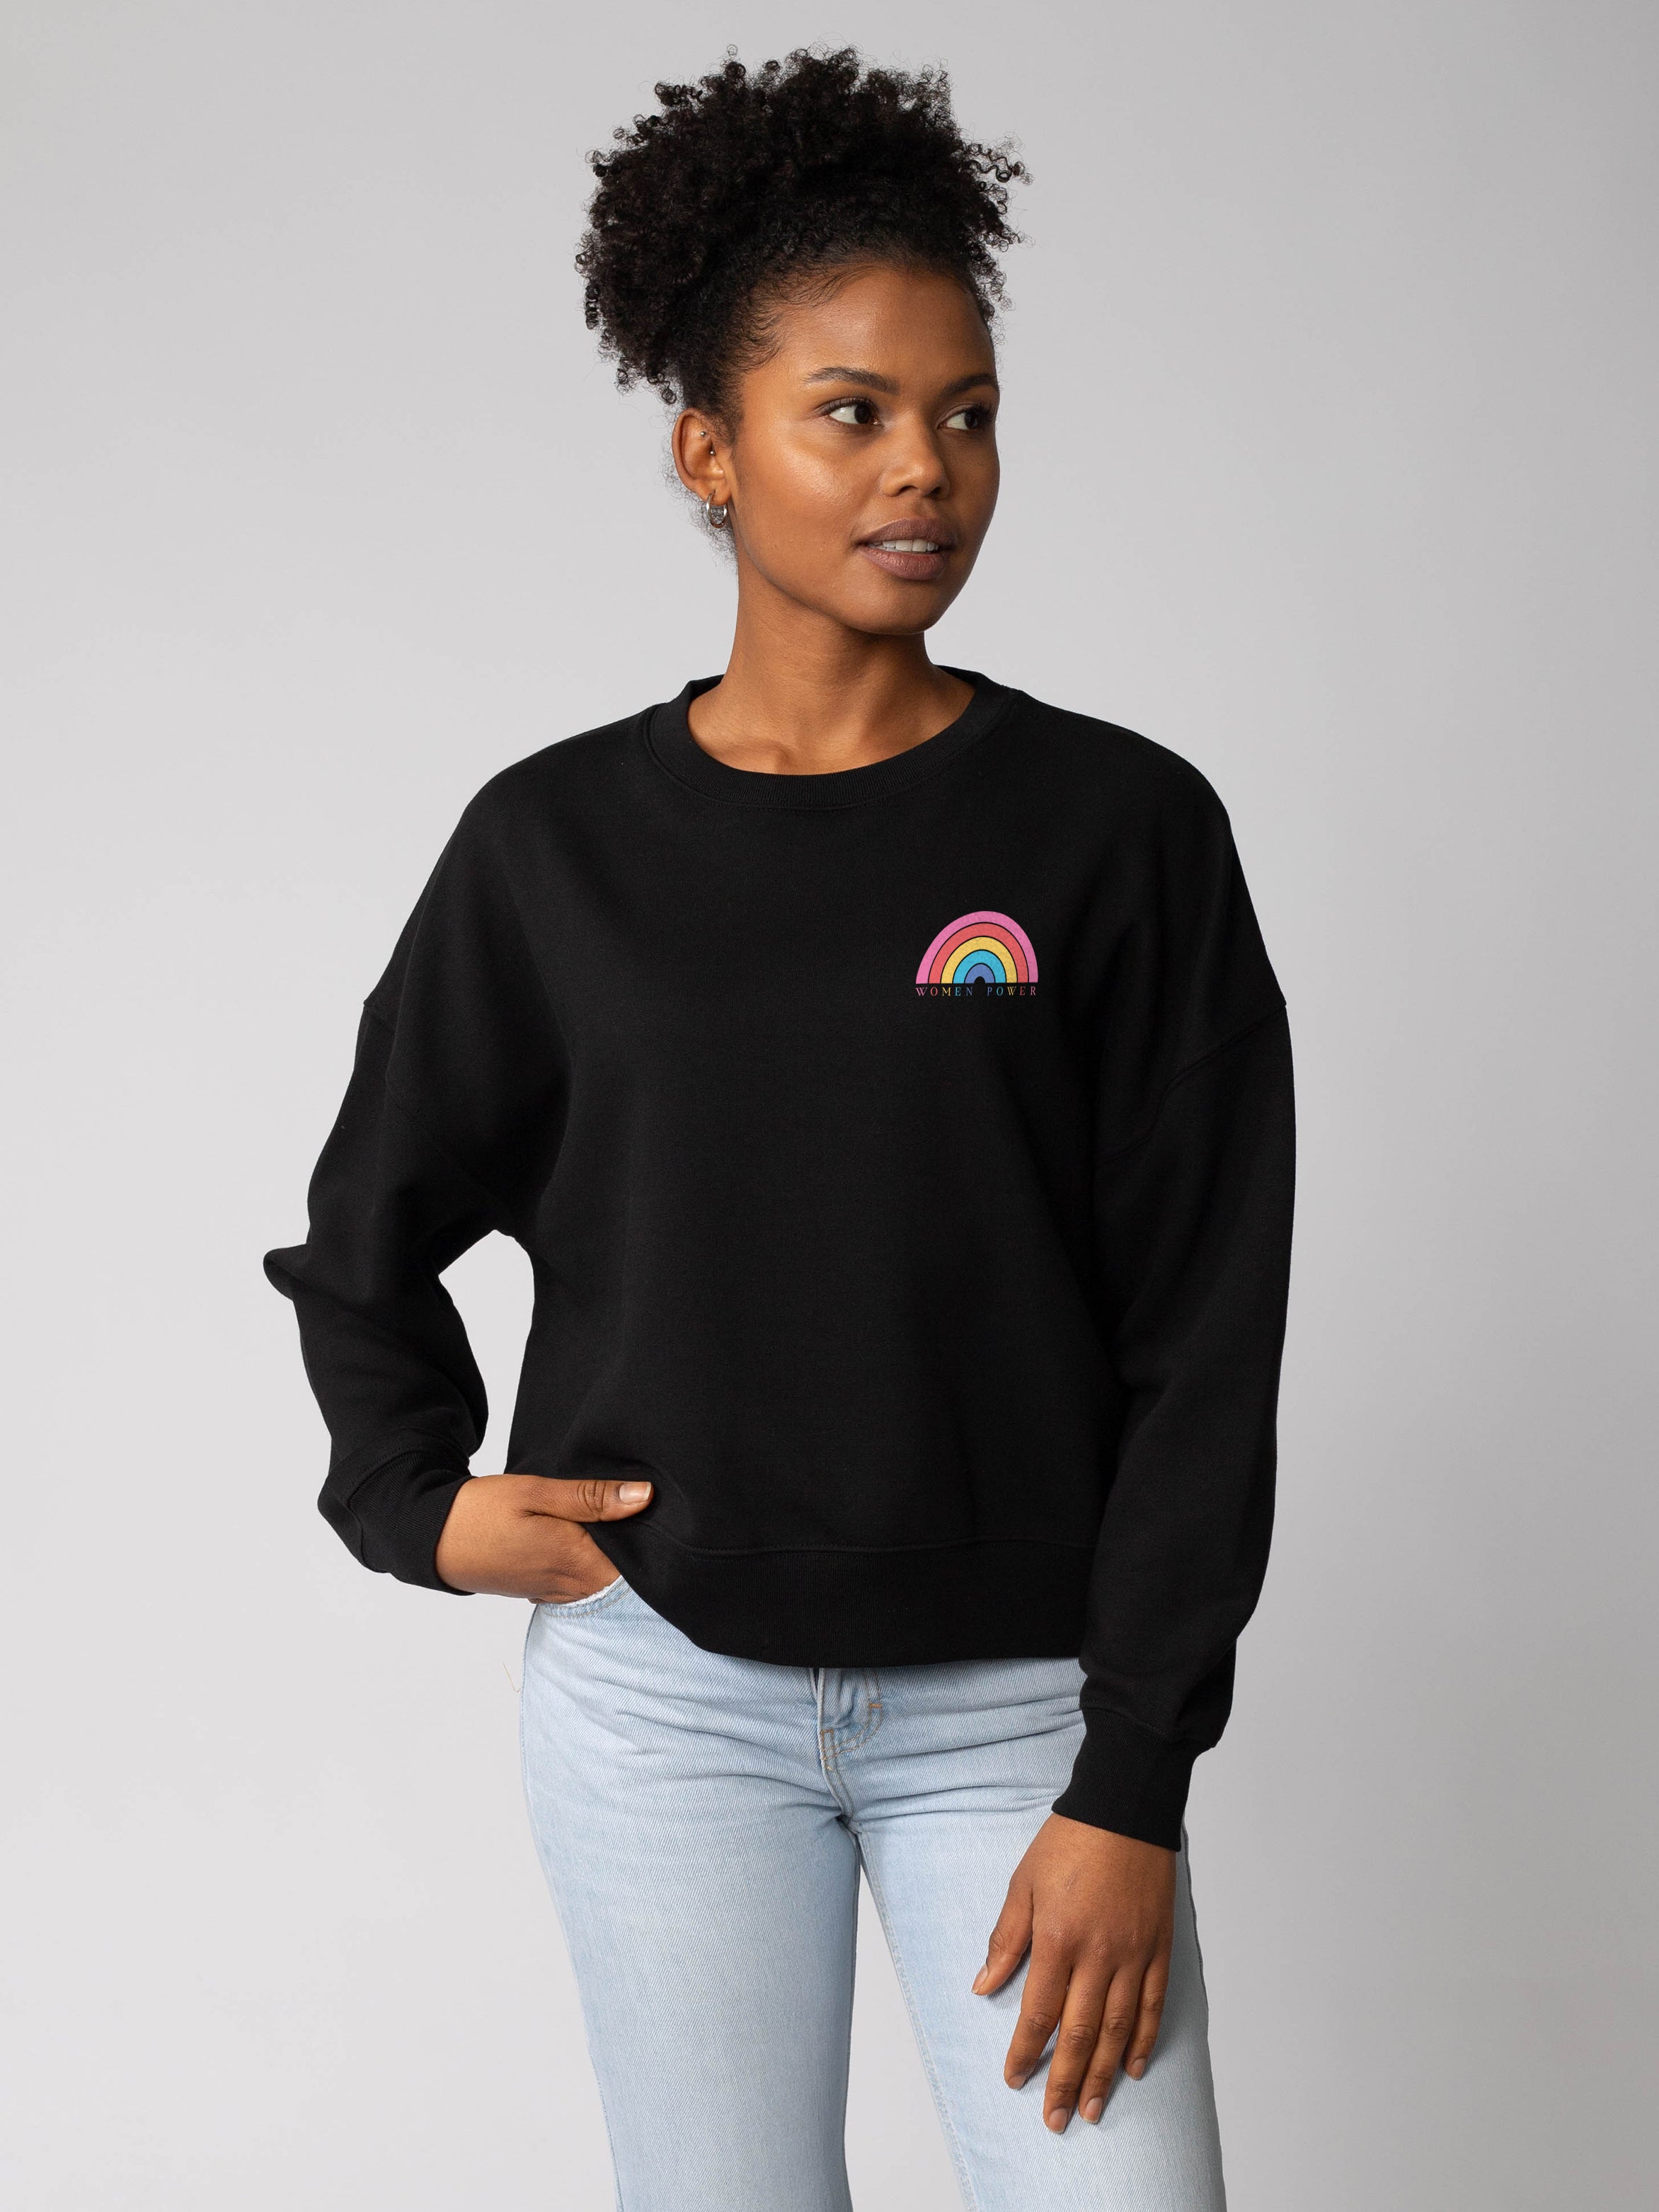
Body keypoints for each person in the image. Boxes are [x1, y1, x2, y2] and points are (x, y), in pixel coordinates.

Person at [265, 46, 1295, 2212]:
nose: (926, 466)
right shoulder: (555, 848)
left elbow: (1207, 1334)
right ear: (708, 450)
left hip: (1026, 1715)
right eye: (853, 412)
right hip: (660, 1703)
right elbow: (366, 1224)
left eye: (968, 412)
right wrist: (414, 1501)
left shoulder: (1119, 831)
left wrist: (1132, 1778)